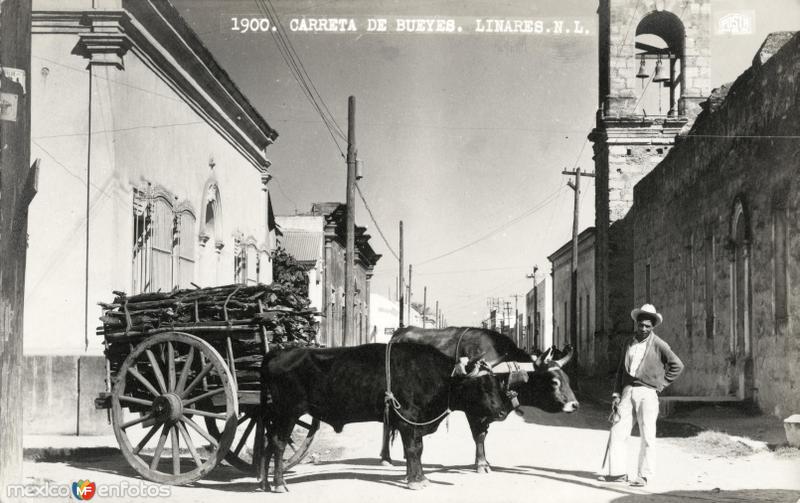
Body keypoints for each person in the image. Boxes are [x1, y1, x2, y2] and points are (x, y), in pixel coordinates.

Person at [600, 303, 684, 487]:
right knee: (617, 431)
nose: (644, 328)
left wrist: (660, 384)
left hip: (647, 393)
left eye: (648, 326)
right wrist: (616, 394)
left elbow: (677, 365)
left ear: (653, 326)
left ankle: (643, 475)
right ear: (636, 324)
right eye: (641, 325)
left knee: (647, 435)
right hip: (627, 391)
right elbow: (621, 372)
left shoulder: (659, 344)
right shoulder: (628, 343)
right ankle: (618, 473)